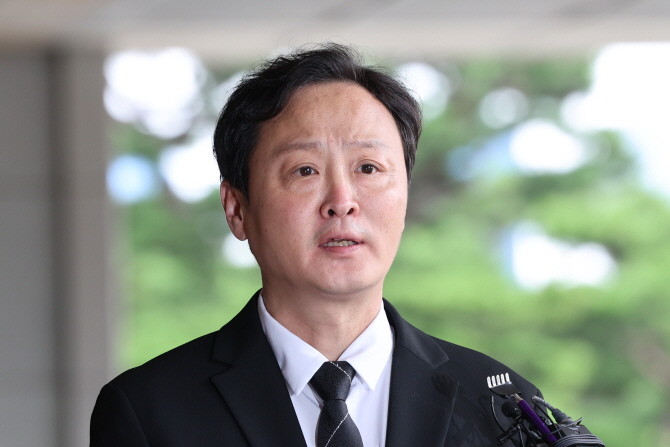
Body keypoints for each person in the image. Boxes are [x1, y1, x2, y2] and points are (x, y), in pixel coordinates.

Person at [90, 43, 541, 447]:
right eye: (305, 170)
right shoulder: (150, 411)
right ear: (237, 209)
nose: (342, 201)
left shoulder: (504, 408)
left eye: (368, 168)